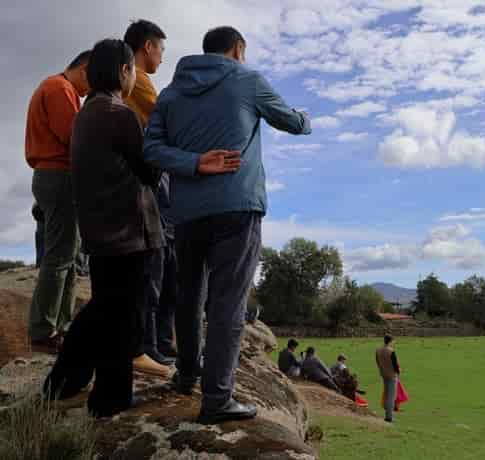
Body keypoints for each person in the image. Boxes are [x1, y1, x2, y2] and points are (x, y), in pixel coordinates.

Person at [143, 26, 311, 424]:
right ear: (238, 50)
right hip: (237, 207)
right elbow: (291, 122)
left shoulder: (170, 93)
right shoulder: (247, 80)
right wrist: (306, 119)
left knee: (189, 296)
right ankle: (217, 399)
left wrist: (193, 163)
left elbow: (150, 149)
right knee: (227, 304)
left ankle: (186, 375)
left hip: (185, 212)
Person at [41, 39, 163, 417]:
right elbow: (149, 172)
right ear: (123, 72)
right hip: (129, 232)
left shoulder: (85, 113)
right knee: (121, 318)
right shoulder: (120, 113)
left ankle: (64, 381)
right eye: (130, 71)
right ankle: (109, 399)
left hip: (100, 231)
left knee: (104, 310)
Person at [25, 49, 91, 354]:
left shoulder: (59, 88)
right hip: (59, 176)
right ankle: (43, 330)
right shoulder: (59, 88)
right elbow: (73, 137)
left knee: (68, 256)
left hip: (55, 176)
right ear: (84, 68)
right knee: (60, 257)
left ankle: (60, 327)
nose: (91, 87)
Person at [123, 19, 176, 374]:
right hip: (149, 177)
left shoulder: (134, 82)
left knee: (161, 259)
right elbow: (167, 120)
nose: (161, 56)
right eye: (160, 49)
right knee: (157, 258)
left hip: (144, 177)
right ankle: (148, 345)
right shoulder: (140, 82)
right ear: (147, 47)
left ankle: (156, 342)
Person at [376, 335, 400, 423]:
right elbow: (395, 365)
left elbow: (377, 362)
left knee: (386, 394)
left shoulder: (378, 350)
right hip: (392, 375)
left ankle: (387, 414)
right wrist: (398, 372)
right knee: (391, 396)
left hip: (383, 374)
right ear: (390, 341)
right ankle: (389, 417)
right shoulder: (391, 351)